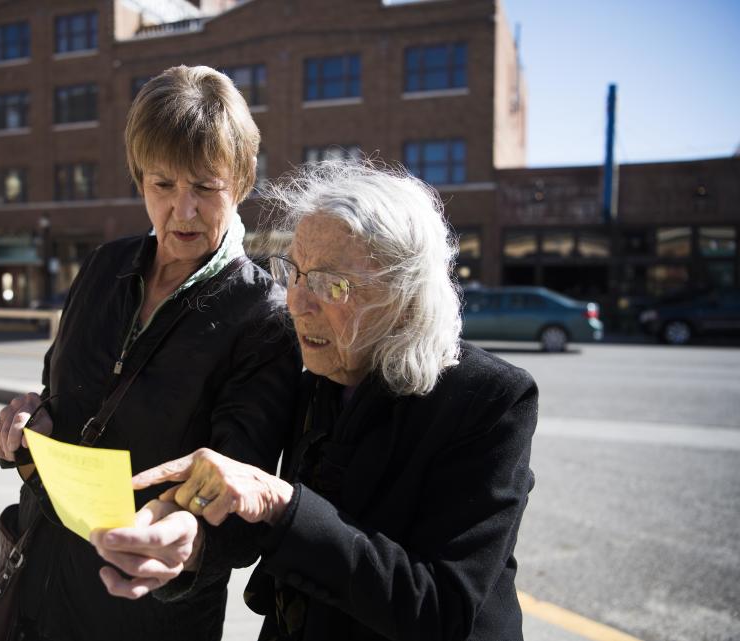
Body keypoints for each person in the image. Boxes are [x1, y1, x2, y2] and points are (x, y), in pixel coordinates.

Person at [118, 160, 539, 640]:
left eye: (329, 284)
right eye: (294, 273)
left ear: (404, 297)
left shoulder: (489, 399)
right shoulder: (317, 376)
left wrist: (280, 502)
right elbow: (260, 513)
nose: (296, 302)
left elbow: (441, 607)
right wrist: (186, 538)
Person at [0, 66, 300, 641]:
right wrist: (31, 424)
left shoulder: (264, 316)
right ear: (139, 180)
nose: (182, 210)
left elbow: (239, 484)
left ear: (244, 180)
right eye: (163, 185)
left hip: (148, 612)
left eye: (205, 187)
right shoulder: (105, 266)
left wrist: (189, 537)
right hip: (37, 585)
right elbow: (59, 395)